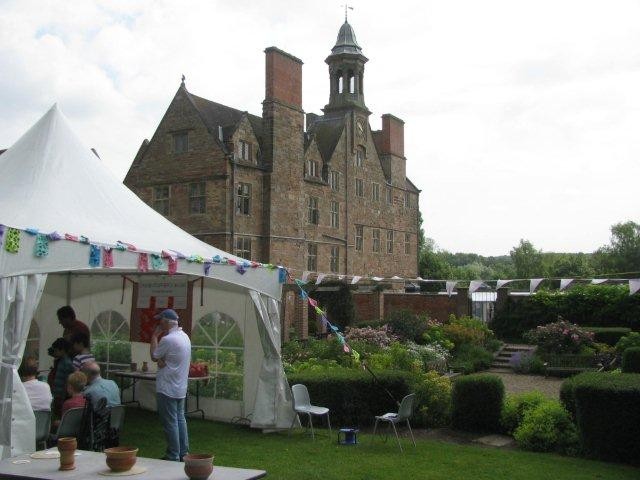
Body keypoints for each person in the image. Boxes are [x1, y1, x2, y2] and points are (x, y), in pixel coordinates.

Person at [150, 309, 191, 462]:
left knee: (170, 422)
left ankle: (173, 454)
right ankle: (183, 453)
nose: (159, 323)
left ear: (166, 322)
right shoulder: (185, 337)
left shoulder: (167, 339)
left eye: (160, 320)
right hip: (180, 387)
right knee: (180, 419)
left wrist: (154, 336)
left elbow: (154, 356)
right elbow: (163, 359)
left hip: (167, 387)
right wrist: (162, 360)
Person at [48, 338, 75, 417]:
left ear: (62, 350)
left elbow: (67, 380)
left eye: (56, 351)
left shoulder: (67, 363)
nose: (55, 353)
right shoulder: (60, 360)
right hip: (57, 394)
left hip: (61, 395)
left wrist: (64, 396)